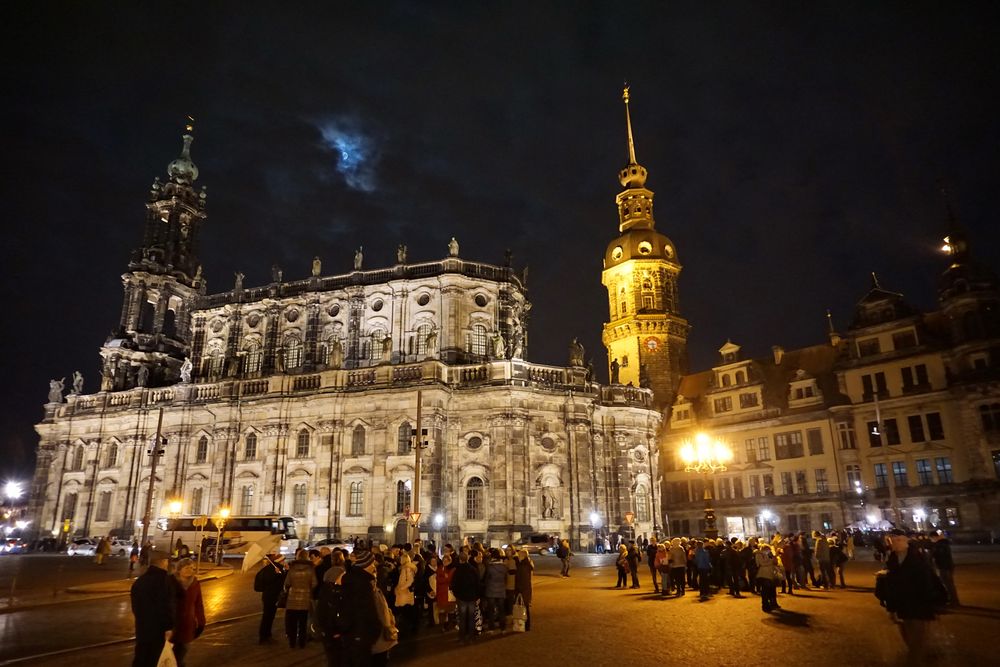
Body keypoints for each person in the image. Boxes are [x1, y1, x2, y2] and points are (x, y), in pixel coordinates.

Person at [878, 529, 947, 663]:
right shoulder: (892, 559)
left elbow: (928, 583)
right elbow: (891, 587)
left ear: (905, 541)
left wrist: (933, 605)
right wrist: (891, 608)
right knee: (910, 642)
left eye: (898, 540)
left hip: (918, 606)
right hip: (902, 607)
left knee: (916, 645)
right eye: (892, 540)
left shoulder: (917, 558)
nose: (894, 543)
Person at [130, 555, 176, 667]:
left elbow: (135, 606)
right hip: (158, 629)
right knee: (155, 658)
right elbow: (165, 605)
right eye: (166, 561)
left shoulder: (140, 581)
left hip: (142, 627)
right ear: (163, 562)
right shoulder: (165, 580)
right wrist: (168, 626)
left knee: (141, 656)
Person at [341, 550, 382, 664]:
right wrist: (375, 629)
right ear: (365, 565)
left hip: (352, 632)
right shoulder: (362, 583)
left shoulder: (350, 578)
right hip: (361, 631)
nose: (374, 566)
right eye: (372, 563)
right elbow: (367, 609)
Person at [171, 558, 205, 667]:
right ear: (179, 570)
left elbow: (198, 604)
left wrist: (201, 622)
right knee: (169, 654)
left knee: (182, 651)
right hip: (172, 624)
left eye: (192, 568)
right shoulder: (171, 583)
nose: (190, 570)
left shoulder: (195, 583)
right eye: (187, 568)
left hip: (187, 625)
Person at [284, 550, 318, 648]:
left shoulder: (292, 568)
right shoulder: (311, 569)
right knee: (303, 623)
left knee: (292, 623)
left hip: (292, 599)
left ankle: (292, 642)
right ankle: (302, 643)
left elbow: (287, 583)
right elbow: (314, 583)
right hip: (305, 598)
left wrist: (289, 590)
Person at [254, 553, 287, 644]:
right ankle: (264, 637)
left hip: (268, 596)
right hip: (271, 597)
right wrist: (281, 573)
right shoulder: (275, 569)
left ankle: (267, 635)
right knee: (268, 617)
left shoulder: (275, 568)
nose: (285, 561)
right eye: (283, 560)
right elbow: (278, 582)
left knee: (269, 617)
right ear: (280, 561)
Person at [450, 552, 481, 644]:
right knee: (471, 618)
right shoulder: (473, 569)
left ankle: (462, 638)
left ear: (460, 560)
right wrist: (477, 595)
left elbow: (454, 585)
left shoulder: (457, 570)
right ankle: (471, 637)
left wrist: (457, 595)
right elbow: (477, 584)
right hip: (471, 597)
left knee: (462, 618)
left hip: (461, 597)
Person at [930, 532, 959, 606]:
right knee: (949, 584)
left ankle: (954, 601)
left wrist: (933, 553)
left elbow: (939, 555)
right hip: (947, 566)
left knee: (948, 584)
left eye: (932, 538)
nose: (931, 540)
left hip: (944, 566)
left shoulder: (940, 545)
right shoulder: (943, 544)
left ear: (934, 537)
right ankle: (953, 599)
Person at [482, 549, 506, 634]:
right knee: (501, 610)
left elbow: (486, 579)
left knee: (491, 610)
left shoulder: (490, 567)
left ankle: (491, 628)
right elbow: (505, 578)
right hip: (501, 590)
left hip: (491, 590)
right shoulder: (504, 567)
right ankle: (503, 628)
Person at [755, 544, 780, 613]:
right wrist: (771, 561)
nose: (767, 550)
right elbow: (762, 563)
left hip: (771, 574)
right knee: (765, 591)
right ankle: (765, 605)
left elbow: (775, 562)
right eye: (766, 549)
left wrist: (774, 557)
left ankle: (773, 603)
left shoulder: (769, 554)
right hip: (763, 574)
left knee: (772, 590)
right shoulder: (759, 554)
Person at [514, 548, 534, 631]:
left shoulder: (523, 566)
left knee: (524, 607)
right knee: (525, 607)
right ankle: (527, 625)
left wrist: (518, 589)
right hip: (527, 588)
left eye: (519, 555)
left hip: (523, 589)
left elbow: (521, 579)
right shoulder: (527, 564)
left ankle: (525, 625)